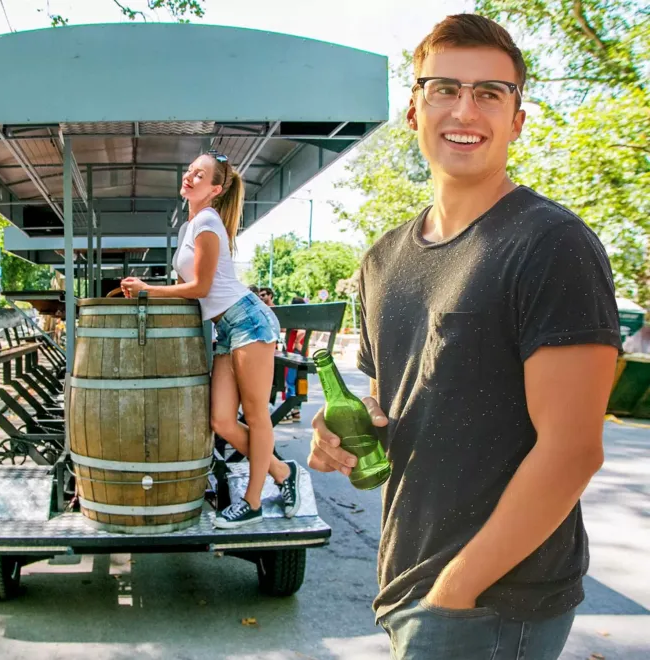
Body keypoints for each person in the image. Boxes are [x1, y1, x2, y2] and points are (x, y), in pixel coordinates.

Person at [307, 14, 620, 660]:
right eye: (445, 88)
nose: (465, 109)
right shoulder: (382, 259)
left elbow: (572, 452)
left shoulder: (550, 245)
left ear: (517, 120)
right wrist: (344, 429)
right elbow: (393, 402)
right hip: (409, 582)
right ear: (413, 110)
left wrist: (455, 591)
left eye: (490, 93)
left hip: (493, 603)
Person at [120, 151, 301, 528]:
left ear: (215, 188)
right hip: (226, 329)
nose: (189, 177)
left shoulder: (206, 221)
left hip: (248, 322)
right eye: (189, 171)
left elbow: (200, 286)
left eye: (199, 175)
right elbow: (196, 286)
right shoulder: (191, 226)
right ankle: (283, 472)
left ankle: (252, 503)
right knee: (221, 420)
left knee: (254, 416)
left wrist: (148, 291)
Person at [281, 296, 308, 423]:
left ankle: (288, 411)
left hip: (295, 353)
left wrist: (297, 341)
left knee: (290, 382)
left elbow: (301, 331)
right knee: (297, 383)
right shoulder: (305, 317)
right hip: (302, 353)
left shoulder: (297, 318)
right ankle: (296, 412)